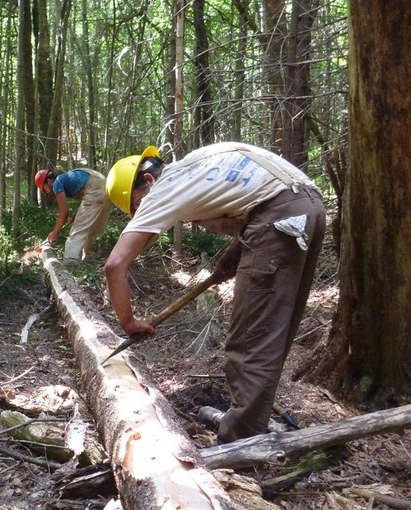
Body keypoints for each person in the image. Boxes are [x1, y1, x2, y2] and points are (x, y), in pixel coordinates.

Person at [104, 142, 326, 444]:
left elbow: (114, 265)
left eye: (137, 205)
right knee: (270, 332)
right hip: (308, 206)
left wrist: (128, 323)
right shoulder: (194, 168)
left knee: (251, 340)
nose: (141, 213)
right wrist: (232, 258)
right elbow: (257, 203)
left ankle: (239, 443)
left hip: (280, 218)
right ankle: (249, 423)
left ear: (147, 181)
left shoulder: (163, 188)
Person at [34, 165, 112, 262]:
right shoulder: (68, 177)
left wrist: (55, 233)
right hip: (108, 190)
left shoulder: (57, 183)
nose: (47, 192)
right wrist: (77, 214)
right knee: (91, 228)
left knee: (77, 230)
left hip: (95, 191)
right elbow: (84, 193)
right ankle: (89, 257)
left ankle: (70, 262)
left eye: (44, 189)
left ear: (48, 181)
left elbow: (64, 212)